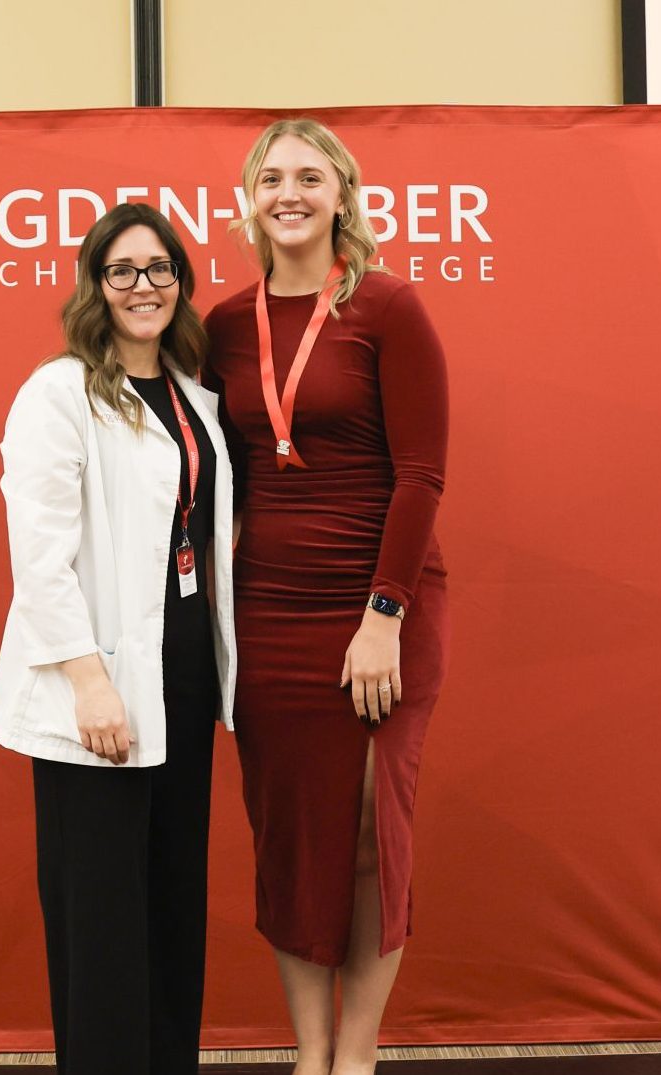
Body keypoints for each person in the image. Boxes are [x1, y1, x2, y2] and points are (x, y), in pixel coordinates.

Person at [204, 119, 449, 1075]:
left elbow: (422, 474)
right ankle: (307, 1055)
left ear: (343, 194)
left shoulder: (388, 307)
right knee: (292, 837)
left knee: (365, 836)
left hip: (380, 613)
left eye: (310, 176)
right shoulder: (223, 325)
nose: (290, 192)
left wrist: (381, 617)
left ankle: (356, 1056)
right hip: (266, 615)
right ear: (250, 200)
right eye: (272, 178)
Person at [0, 202, 236, 1075]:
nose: (143, 286)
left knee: (171, 903)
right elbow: (39, 557)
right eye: (123, 270)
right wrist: (90, 683)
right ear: (97, 283)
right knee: (100, 921)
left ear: (181, 284)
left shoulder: (193, 396)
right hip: (97, 681)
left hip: (184, 674)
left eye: (159, 269)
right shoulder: (59, 392)